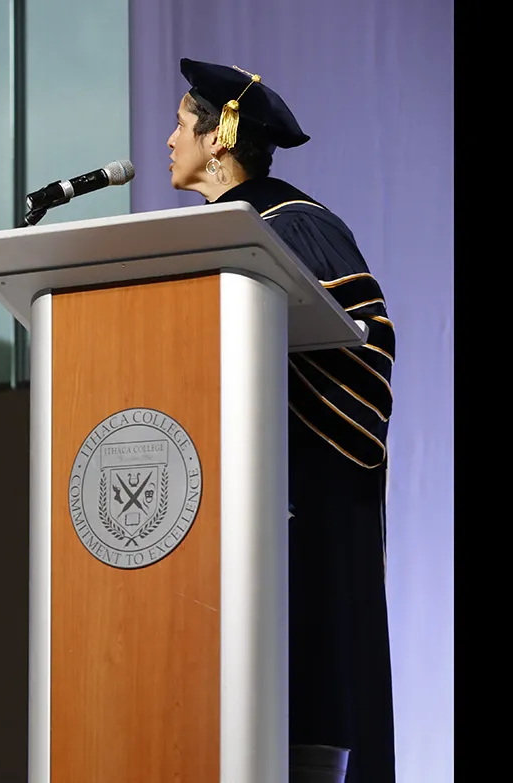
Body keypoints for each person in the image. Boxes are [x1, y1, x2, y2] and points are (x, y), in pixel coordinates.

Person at [167, 59, 397, 782]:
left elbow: (362, 361)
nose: (169, 139)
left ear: (219, 137)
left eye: (180, 123)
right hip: (225, 534)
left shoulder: (296, 227)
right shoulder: (226, 236)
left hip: (298, 527)